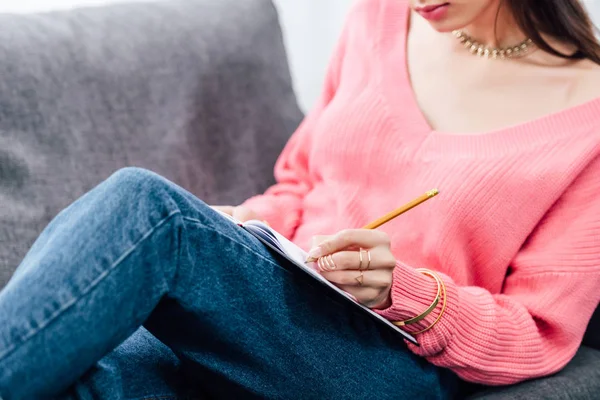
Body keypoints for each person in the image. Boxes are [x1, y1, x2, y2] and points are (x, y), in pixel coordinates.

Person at [2, 0, 600, 398]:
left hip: (390, 365)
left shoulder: (588, 121)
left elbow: (537, 332)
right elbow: (303, 182)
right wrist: (247, 227)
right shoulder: (382, 18)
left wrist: (403, 292)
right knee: (97, 370)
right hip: (273, 313)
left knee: (151, 210)